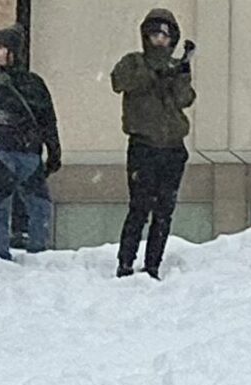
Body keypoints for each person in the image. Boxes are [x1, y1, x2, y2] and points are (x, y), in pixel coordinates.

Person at [110, 9, 196, 279]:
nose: (160, 39)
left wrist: (182, 70)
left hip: (172, 148)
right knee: (139, 208)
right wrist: (154, 71)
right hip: (144, 146)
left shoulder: (173, 66)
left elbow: (185, 99)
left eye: (165, 35)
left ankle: (153, 265)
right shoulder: (134, 62)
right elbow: (120, 82)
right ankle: (125, 263)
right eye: (155, 33)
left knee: (164, 211)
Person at [0, 25, 61, 260]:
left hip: (24, 152)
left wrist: (53, 150)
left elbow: (47, 119)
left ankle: (31, 252)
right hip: (3, 153)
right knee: (8, 205)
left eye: (1, 47)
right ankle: (4, 254)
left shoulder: (23, 84)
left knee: (31, 205)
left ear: (13, 52)